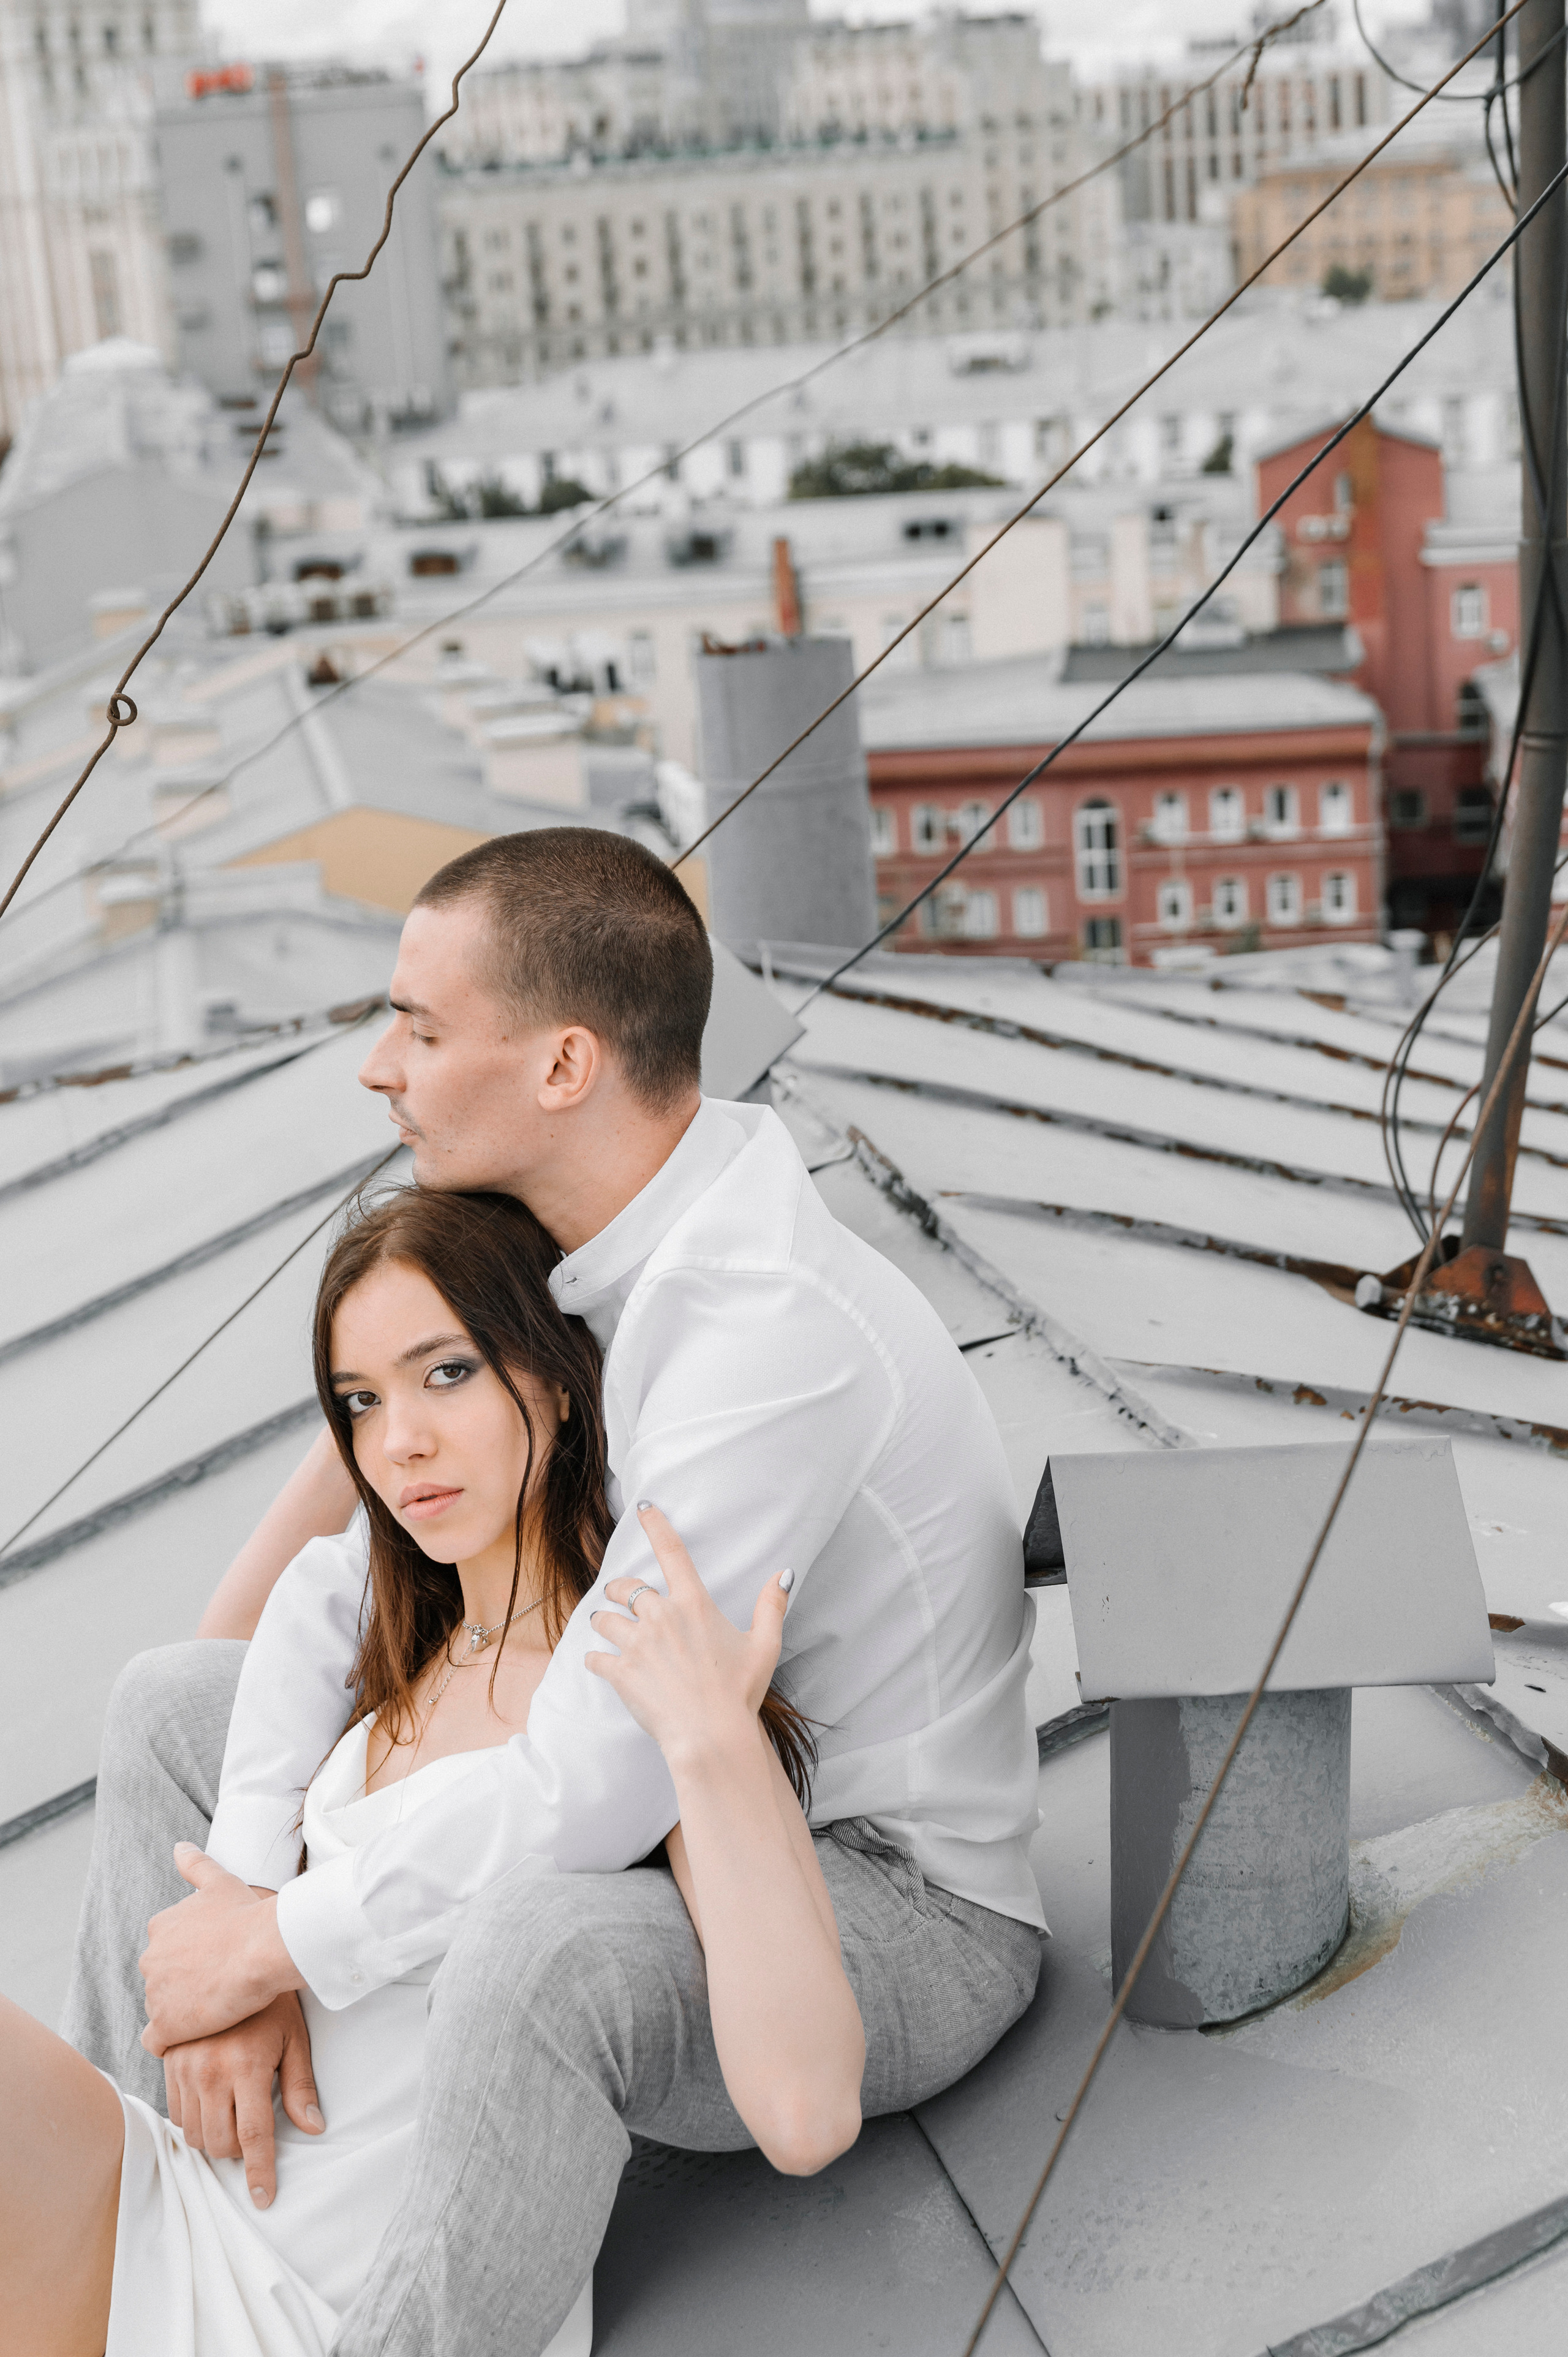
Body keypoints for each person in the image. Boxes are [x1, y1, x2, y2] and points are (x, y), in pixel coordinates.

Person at [65, 828, 1046, 2357]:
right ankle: (143, 2249)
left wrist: (280, 1939)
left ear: (564, 1064)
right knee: (173, 1707)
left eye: (418, 1026)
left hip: (871, 1893)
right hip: (667, 1807)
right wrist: (236, 1914)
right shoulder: (583, 1233)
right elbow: (325, 1582)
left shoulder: (758, 1331)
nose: (378, 1067)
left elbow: (605, 1776)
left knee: (543, 1948)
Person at [3, 1185, 865, 2356]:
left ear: (559, 1380)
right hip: (182, 2191)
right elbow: (218, 1661)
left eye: (447, 1373)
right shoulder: (387, 1662)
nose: (398, 1442)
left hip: (324, 2308)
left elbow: (806, 2113)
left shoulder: (625, 1705)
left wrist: (716, 1739)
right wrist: (243, 1950)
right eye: (362, 1402)